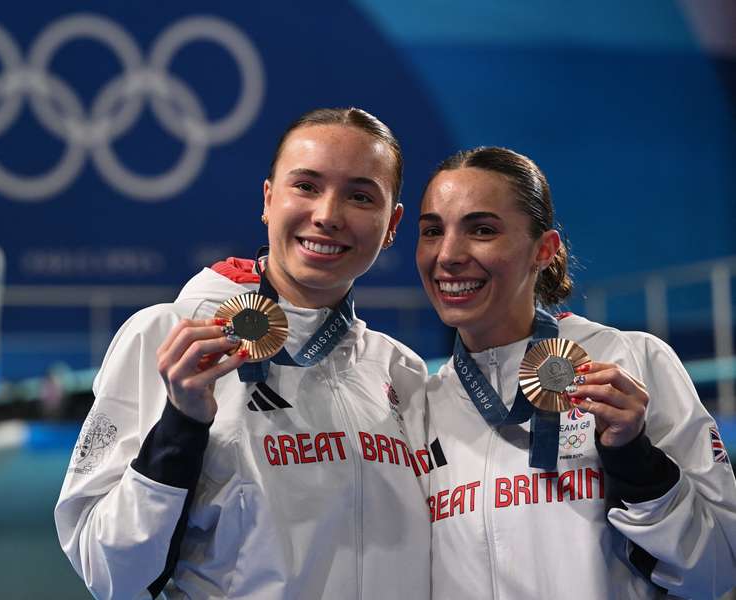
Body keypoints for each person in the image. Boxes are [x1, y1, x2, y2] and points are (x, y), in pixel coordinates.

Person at [55, 108, 432, 599]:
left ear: (391, 225)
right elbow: (110, 573)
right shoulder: (167, 336)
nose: (328, 215)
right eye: (306, 186)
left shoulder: (401, 371)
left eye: (360, 196)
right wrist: (181, 427)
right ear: (268, 198)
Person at [417, 146, 736, 599]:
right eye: (432, 231)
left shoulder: (633, 360)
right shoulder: (423, 402)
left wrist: (637, 463)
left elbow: (719, 569)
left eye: (482, 229)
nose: (447, 254)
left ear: (544, 250)